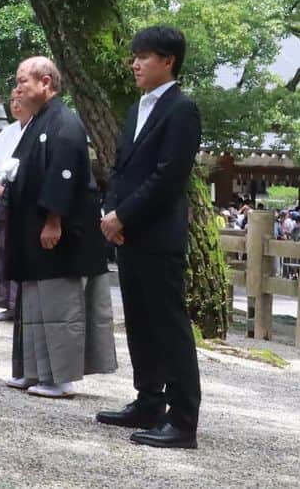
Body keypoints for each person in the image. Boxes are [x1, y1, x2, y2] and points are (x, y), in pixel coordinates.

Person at [97, 26, 202, 449]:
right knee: (139, 320)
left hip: (158, 232)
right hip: (129, 233)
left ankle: (183, 419)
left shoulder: (182, 109)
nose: (135, 63)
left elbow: (168, 176)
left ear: (168, 61)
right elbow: (121, 167)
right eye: (134, 56)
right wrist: (110, 210)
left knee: (168, 324)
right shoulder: (137, 107)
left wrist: (124, 213)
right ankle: (148, 400)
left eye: (144, 56)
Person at [5, 57, 117, 399]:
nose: (19, 86)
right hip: (32, 229)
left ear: (46, 83)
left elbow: (64, 174)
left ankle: (59, 377)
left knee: (58, 304)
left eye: (24, 80)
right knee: (35, 302)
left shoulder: (65, 123)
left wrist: (54, 219)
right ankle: (35, 370)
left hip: (59, 230)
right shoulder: (38, 121)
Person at [0, 89, 30, 320]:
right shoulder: (6, 134)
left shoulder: (39, 130)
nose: (15, 105)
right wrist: (1, 189)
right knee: (3, 251)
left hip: (27, 203)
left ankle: (23, 305)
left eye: (20, 100)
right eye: (12, 101)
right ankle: (7, 304)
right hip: (5, 200)